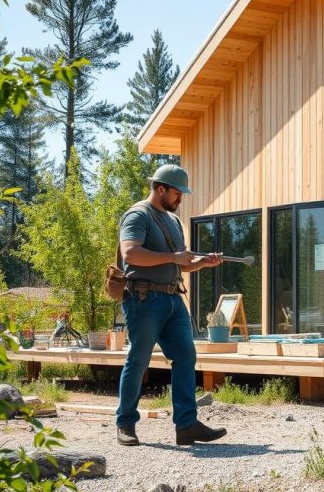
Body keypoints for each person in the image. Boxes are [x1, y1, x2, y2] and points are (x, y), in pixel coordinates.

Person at [115, 164, 226, 446]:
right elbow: (131, 254)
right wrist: (175, 257)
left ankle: (186, 425)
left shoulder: (174, 222)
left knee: (186, 356)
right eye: (177, 193)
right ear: (160, 188)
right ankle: (126, 423)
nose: (180, 199)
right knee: (138, 360)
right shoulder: (138, 215)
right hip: (143, 299)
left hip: (173, 299)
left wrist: (201, 262)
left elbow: (180, 263)